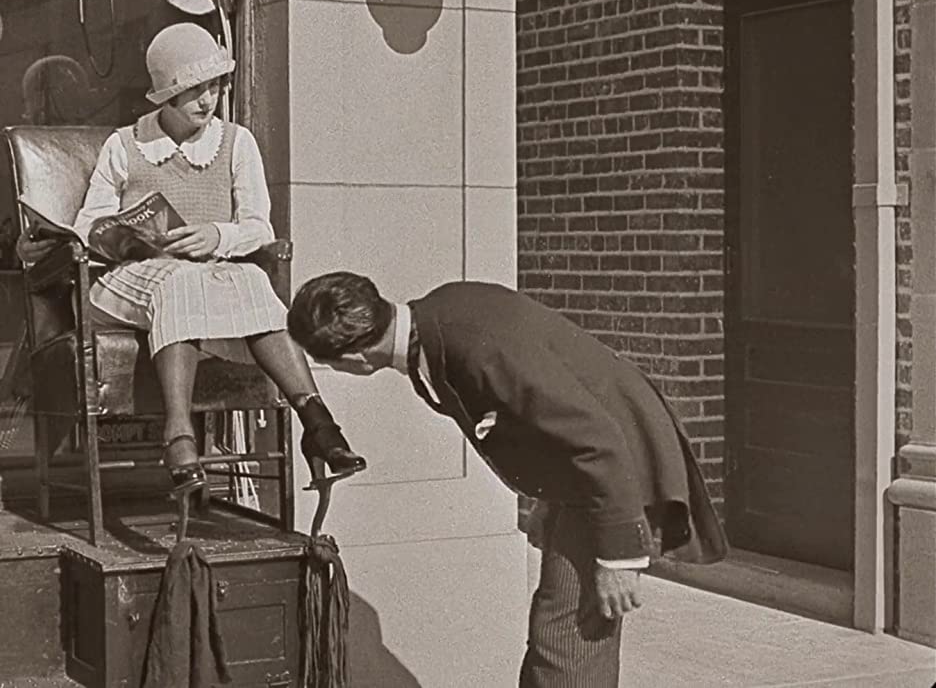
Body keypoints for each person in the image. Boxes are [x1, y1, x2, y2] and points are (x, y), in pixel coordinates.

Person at [287, 272, 728, 688]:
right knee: (557, 631)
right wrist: (549, 501)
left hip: (615, 473)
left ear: (352, 360)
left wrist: (619, 559)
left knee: (567, 639)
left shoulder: (474, 348)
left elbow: (597, 440)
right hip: (583, 475)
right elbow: (544, 412)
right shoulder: (441, 313)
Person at [15, 23, 365, 501]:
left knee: (253, 280)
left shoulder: (237, 143)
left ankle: (319, 424)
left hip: (205, 273)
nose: (207, 99)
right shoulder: (125, 145)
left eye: (215, 86)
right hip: (122, 284)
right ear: (166, 97)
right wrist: (51, 242)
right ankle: (179, 432)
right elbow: (90, 223)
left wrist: (216, 235)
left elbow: (260, 227)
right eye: (192, 90)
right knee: (178, 280)